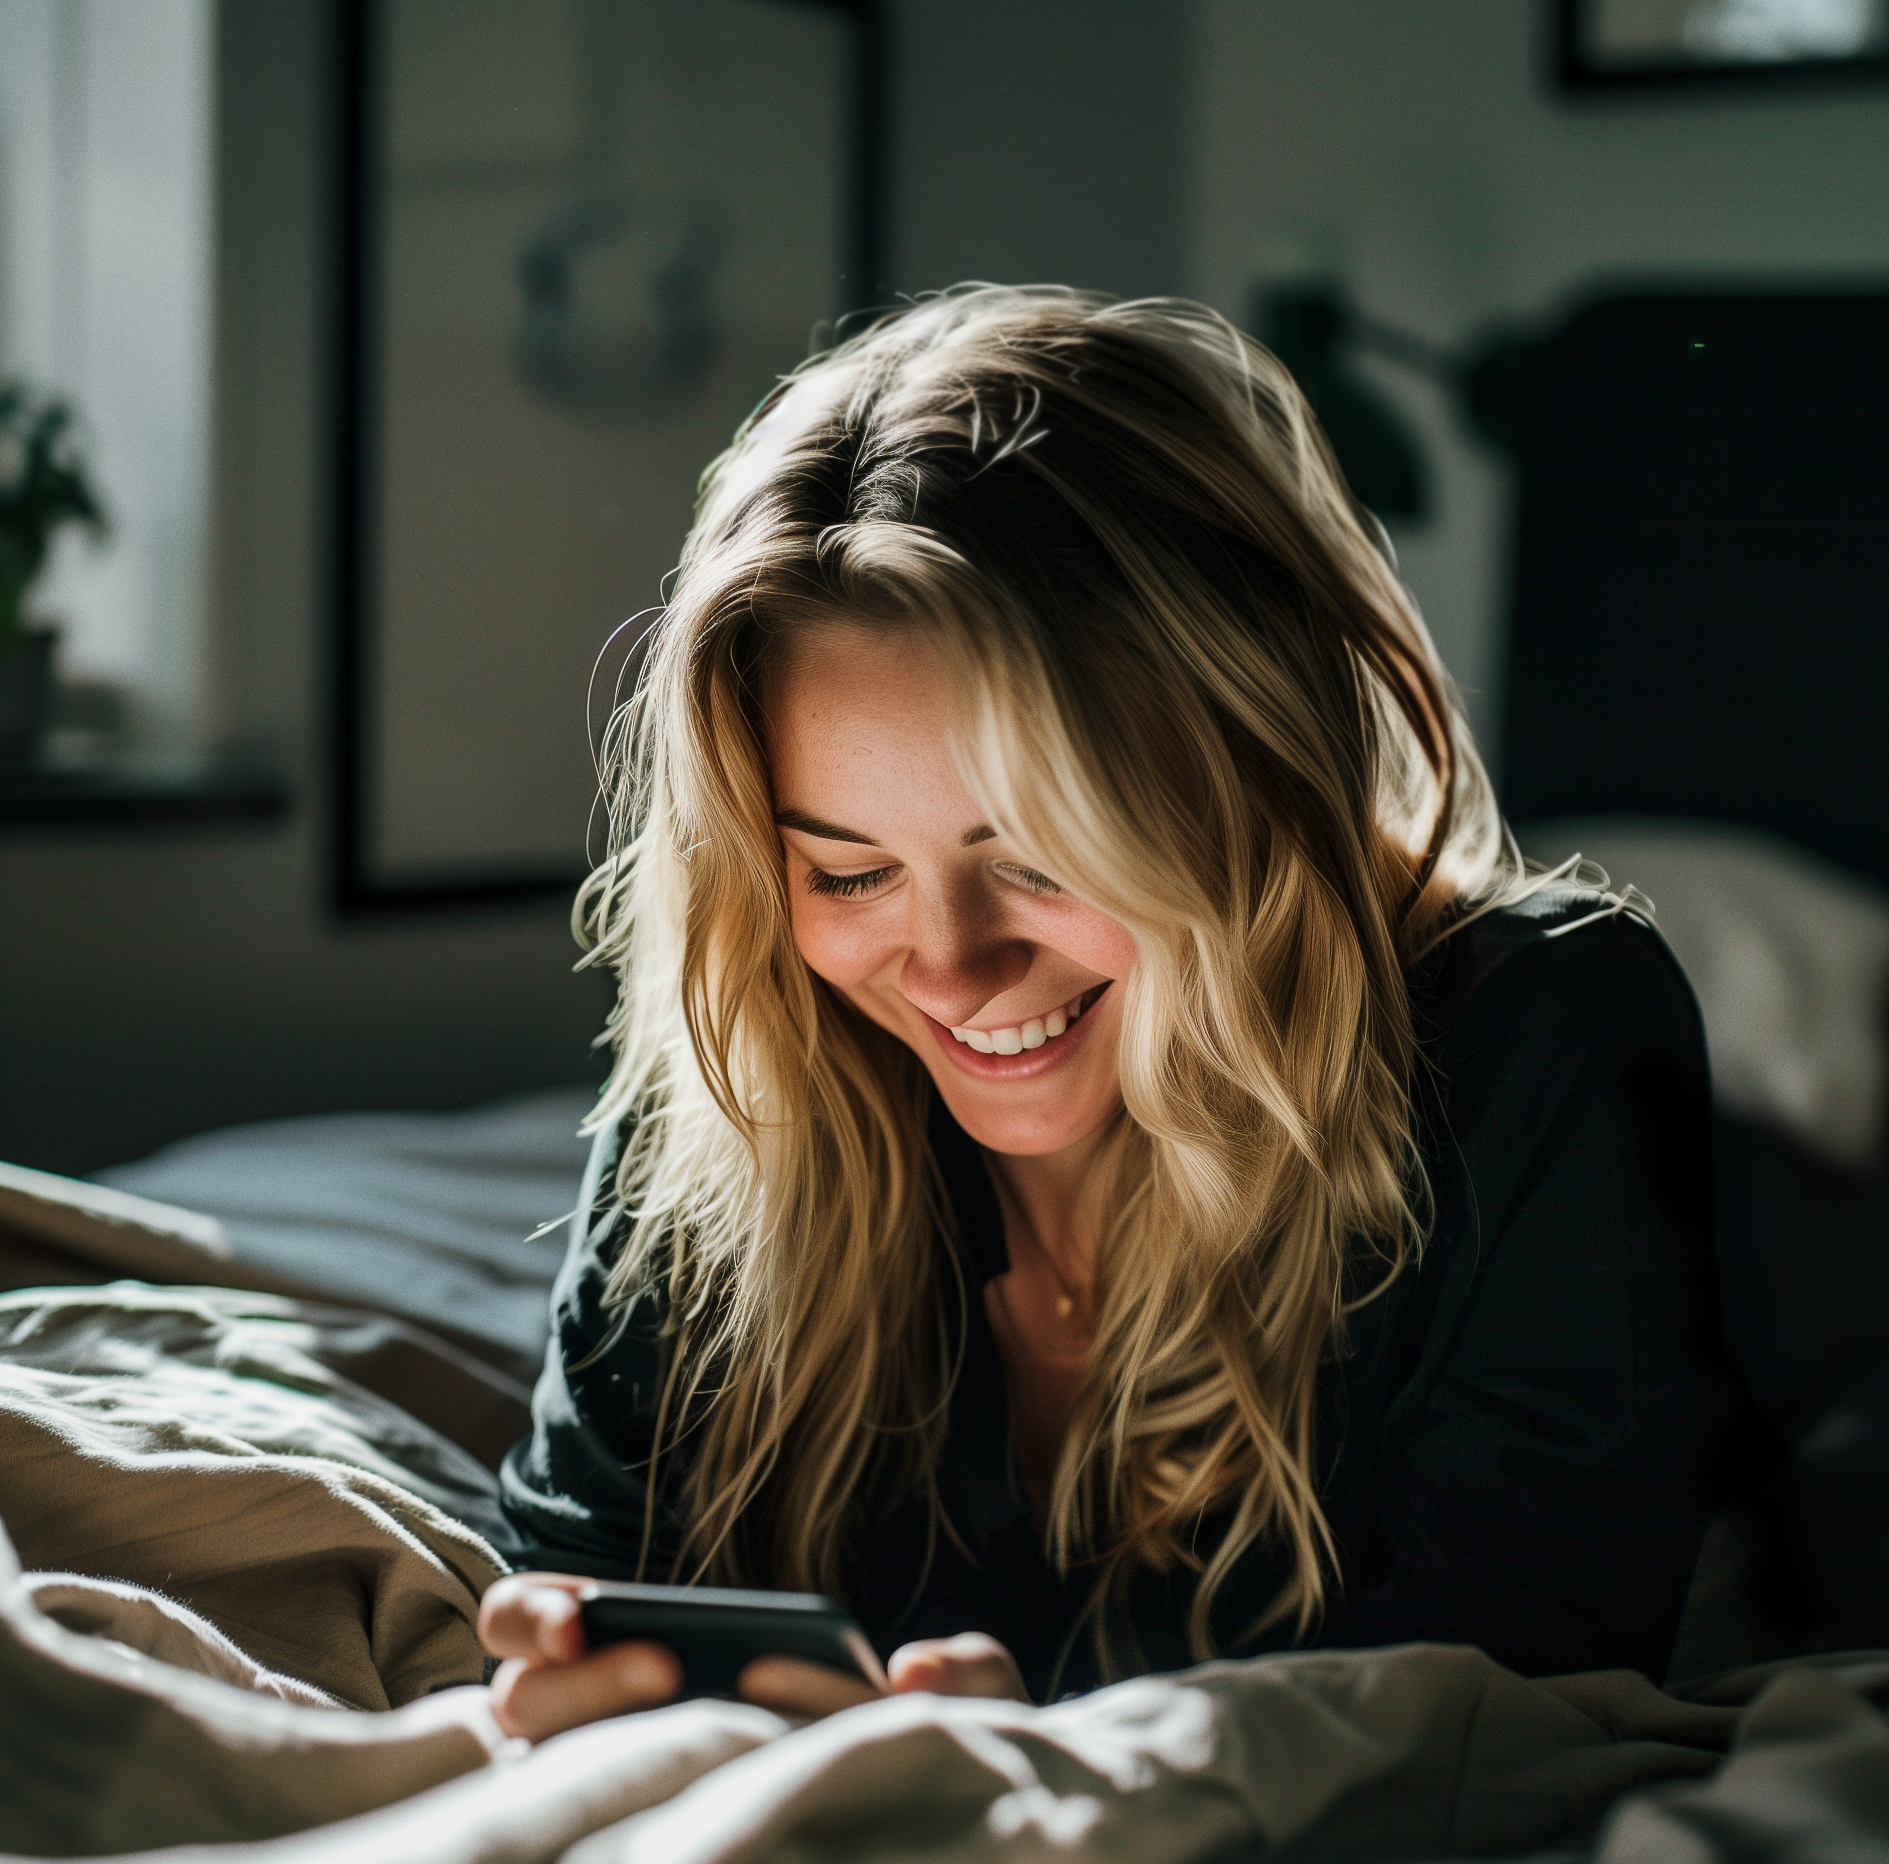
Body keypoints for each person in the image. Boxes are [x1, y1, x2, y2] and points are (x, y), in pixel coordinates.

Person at [481, 287, 1724, 1740]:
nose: (951, 969)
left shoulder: (1553, 1038)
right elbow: (576, 1574)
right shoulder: (750, 1062)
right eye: (850, 871)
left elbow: (1523, 1706)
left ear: (1255, 766)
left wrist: (1067, 1752)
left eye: (1042, 854)